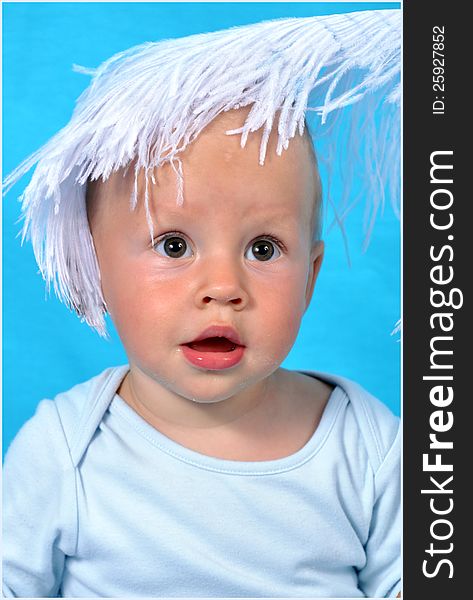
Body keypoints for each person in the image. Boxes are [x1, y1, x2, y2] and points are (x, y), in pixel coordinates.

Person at [2, 9, 401, 598]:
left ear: (311, 277)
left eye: (263, 248)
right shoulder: (65, 450)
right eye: (174, 244)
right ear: (97, 265)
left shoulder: (367, 446)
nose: (223, 285)